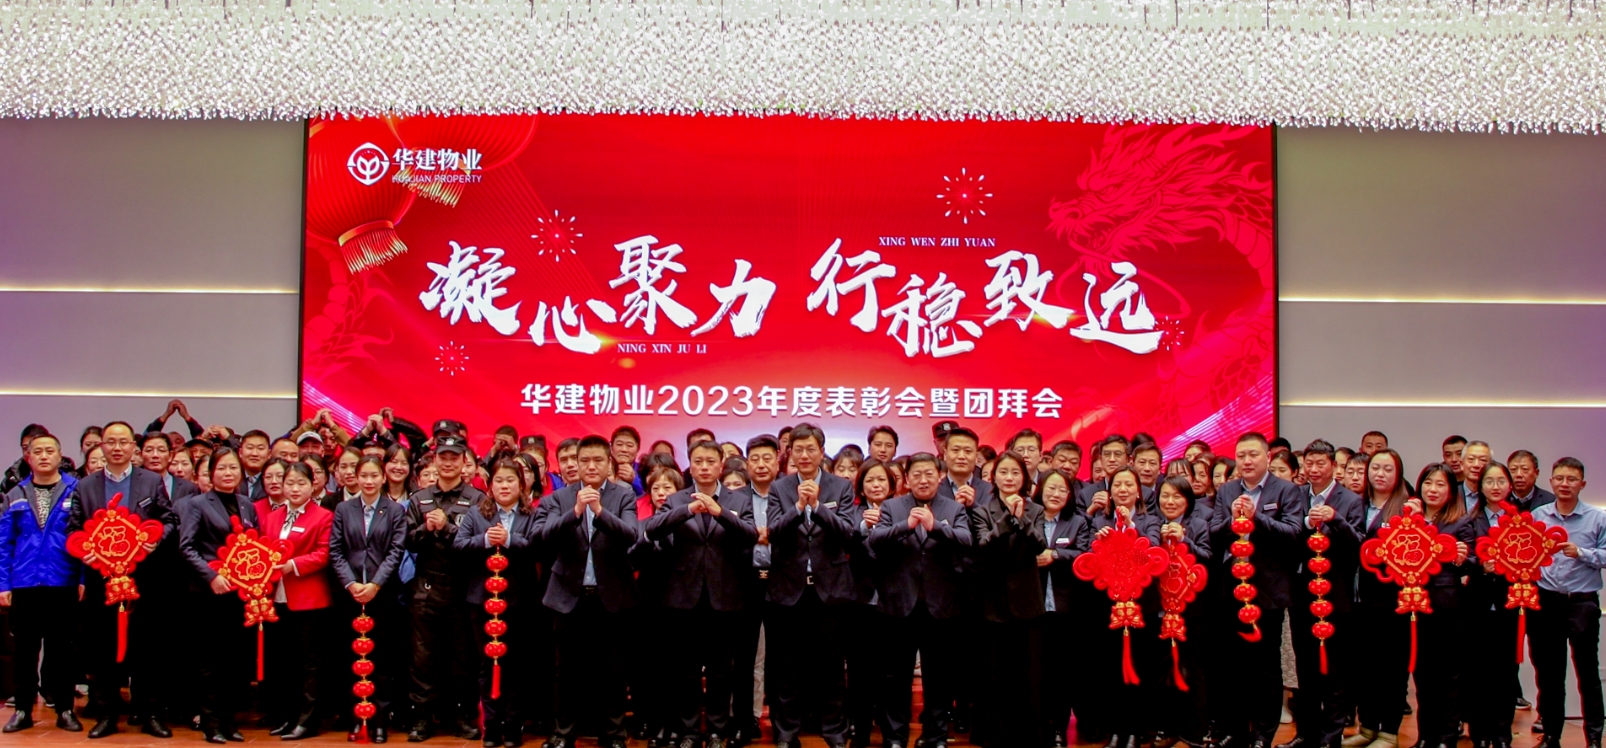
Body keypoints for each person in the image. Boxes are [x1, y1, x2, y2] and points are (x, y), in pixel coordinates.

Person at [68, 422, 180, 738]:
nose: (117, 448)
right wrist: (86, 552)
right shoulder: (85, 486)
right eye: (111, 442)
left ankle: (150, 713)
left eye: (123, 442)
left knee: (147, 648)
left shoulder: (151, 481)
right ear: (101, 446)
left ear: (134, 447)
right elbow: (74, 528)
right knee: (103, 649)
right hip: (102, 581)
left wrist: (155, 541)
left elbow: (169, 520)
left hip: (144, 580)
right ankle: (106, 715)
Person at [643, 440, 758, 748]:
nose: (704, 467)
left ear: (721, 466)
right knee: (687, 670)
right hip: (684, 598)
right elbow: (653, 529)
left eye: (710, 461)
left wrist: (721, 513)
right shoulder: (676, 498)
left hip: (725, 597)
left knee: (721, 671)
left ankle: (718, 730)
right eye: (698, 461)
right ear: (690, 466)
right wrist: (687, 510)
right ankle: (691, 732)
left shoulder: (739, 499)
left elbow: (750, 536)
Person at [536, 434, 640, 748]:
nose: (591, 466)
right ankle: (564, 733)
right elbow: (542, 537)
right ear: (575, 464)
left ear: (609, 463)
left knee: (613, 670)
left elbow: (631, 535)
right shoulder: (558, 498)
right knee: (566, 672)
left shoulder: (623, 496)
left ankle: (614, 734)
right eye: (585, 461)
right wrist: (577, 511)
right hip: (569, 597)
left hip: (611, 597)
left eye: (598, 460)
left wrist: (600, 511)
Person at [1205, 433, 1303, 748]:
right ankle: (1236, 731)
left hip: (1267, 590)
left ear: (1267, 457)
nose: (1246, 461)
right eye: (1241, 456)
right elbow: (1213, 534)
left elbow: (1294, 533)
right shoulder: (1227, 490)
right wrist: (1232, 520)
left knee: (1266, 666)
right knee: (1233, 665)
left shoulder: (1286, 490)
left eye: (1253, 455)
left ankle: (1263, 734)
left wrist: (1256, 518)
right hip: (1231, 589)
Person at [870, 452, 973, 748]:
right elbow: (875, 540)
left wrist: (935, 526)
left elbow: (967, 541)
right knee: (896, 677)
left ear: (939, 476)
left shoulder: (953, 508)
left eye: (929, 474)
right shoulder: (892, 506)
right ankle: (895, 737)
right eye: (916, 474)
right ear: (907, 479)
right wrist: (906, 525)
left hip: (940, 606)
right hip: (898, 605)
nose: (923, 480)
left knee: (938, 677)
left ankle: (936, 736)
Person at [768, 423, 859, 748]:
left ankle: (834, 731)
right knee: (788, 667)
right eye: (798, 450)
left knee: (832, 666)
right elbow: (774, 532)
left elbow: (848, 533)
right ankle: (786, 733)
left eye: (810, 449)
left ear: (822, 452)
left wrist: (818, 507)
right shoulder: (780, 487)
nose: (804, 455)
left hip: (830, 591)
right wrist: (797, 508)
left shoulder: (841, 486)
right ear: (789, 453)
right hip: (789, 590)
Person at [1280, 440, 1364, 748]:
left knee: (1335, 670)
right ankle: (1306, 733)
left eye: (1320, 464)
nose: (1313, 470)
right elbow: (1286, 536)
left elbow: (1358, 545)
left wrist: (1335, 519)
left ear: (1334, 466)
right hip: (1301, 593)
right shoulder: (1295, 495)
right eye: (1309, 464)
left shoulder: (1350, 500)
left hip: (1335, 596)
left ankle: (1331, 737)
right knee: (1306, 668)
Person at [454, 460, 542, 748]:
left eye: (510, 480)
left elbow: (539, 548)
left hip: (519, 601)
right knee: (486, 664)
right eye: (499, 481)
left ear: (522, 485)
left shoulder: (533, 514)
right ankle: (491, 726)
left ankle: (513, 726)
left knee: (516, 666)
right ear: (490, 486)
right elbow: (458, 546)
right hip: (481, 601)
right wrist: (483, 540)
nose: (504, 486)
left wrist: (510, 540)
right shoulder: (476, 513)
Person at [404, 435, 485, 742]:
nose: (448, 462)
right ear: (434, 460)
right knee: (422, 657)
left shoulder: (477, 499)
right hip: (426, 587)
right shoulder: (419, 498)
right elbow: (407, 541)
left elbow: (478, 543)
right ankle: (422, 717)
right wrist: (427, 528)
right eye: (443, 457)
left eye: (455, 457)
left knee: (463, 657)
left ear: (465, 461)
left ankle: (462, 715)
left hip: (463, 588)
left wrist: (448, 528)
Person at [0, 433, 83, 734]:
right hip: (25, 582)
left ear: (60, 456)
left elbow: (83, 538)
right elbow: (4, 543)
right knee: (25, 651)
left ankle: (64, 708)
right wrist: (3, 584)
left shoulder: (77, 490)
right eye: (38, 451)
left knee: (62, 650)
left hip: (63, 581)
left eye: (50, 451)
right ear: (28, 458)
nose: (44, 456)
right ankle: (23, 709)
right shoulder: (16, 494)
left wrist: (82, 578)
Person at [178, 446, 261, 743]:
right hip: (208, 593)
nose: (228, 473)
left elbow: (255, 545)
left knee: (234, 661)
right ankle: (211, 723)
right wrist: (211, 576)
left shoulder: (247, 504)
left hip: (240, 595)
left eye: (233, 468)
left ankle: (228, 720)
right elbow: (187, 547)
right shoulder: (197, 504)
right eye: (222, 468)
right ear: (211, 473)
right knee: (209, 661)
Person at [330, 457, 409, 744]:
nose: (368, 481)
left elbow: (396, 551)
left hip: (382, 593)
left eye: (374, 475)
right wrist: (351, 584)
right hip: (350, 594)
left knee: (382, 659)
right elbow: (336, 551)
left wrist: (375, 584)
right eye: (363, 475)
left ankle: (379, 721)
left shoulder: (395, 510)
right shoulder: (343, 509)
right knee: (352, 657)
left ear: (383, 478)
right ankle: (356, 719)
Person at [972, 452, 1048, 748]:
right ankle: (995, 735)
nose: (1009, 478)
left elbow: (1039, 545)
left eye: (1015, 473)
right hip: (993, 603)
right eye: (1003, 472)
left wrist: (1022, 518)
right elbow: (983, 546)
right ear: (994, 478)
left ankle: (1028, 736)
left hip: (1028, 603)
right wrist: (1007, 518)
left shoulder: (1036, 510)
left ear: (1024, 478)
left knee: (1028, 674)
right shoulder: (982, 510)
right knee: (995, 674)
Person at [1529, 457, 1606, 748]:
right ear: (1551, 482)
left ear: (1582, 484)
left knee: (1588, 673)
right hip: (1546, 602)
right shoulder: (1538, 516)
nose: (1565, 484)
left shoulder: (1597, 518)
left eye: (1571, 479)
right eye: (1559, 478)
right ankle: (1551, 736)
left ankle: (1594, 738)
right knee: (1550, 674)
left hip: (1582, 605)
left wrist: (1582, 553)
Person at [260, 462, 335, 741]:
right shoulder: (273, 517)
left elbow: (324, 553)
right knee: (285, 662)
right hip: (277, 597)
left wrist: (293, 565)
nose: (294, 488)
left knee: (310, 663)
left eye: (301, 483)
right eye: (289, 483)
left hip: (309, 598)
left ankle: (308, 720)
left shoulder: (323, 516)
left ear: (313, 486)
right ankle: (288, 717)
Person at [1345, 449, 1413, 748]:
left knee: (1391, 669)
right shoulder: (1355, 504)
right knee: (1364, 668)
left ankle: (1389, 732)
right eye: (1375, 468)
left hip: (1391, 602)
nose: (1380, 474)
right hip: (1357, 600)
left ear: (1398, 474)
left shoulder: (1406, 509)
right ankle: (1368, 727)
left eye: (1388, 469)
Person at [1410, 464, 1476, 748]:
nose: (1433, 490)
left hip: (1448, 607)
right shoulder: (1408, 518)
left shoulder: (1460, 521)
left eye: (1440, 484)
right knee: (1422, 674)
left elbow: (1474, 560)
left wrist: (1462, 560)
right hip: (1414, 606)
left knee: (1449, 675)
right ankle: (1425, 735)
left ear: (1451, 490)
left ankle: (1447, 737)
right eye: (1428, 483)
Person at [1088, 466, 1154, 748]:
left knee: (1139, 668)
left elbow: (1151, 554)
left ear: (1138, 491)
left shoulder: (1150, 520)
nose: (1123, 490)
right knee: (1110, 669)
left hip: (1140, 607)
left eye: (1129, 484)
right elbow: (1089, 562)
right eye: (1117, 485)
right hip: (1108, 607)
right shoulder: (1099, 522)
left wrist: (1130, 528)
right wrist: (1099, 542)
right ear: (1110, 492)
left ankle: (1136, 730)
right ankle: (1115, 729)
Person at [1152, 476, 1213, 748]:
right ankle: (1167, 728)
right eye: (1165, 495)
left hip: (1190, 611)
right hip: (1158, 609)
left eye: (1177, 496)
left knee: (1191, 670)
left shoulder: (1198, 525)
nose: (1170, 501)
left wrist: (1184, 540)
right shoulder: (1152, 524)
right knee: (1162, 671)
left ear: (1187, 501)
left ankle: (1195, 732)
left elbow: (1208, 558)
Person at [734, 436, 784, 748]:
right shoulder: (735, 498)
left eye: (767, 458)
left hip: (782, 581)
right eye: (755, 459)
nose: (761, 464)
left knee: (780, 658)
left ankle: (782, 725)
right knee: (743, 657)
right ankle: (743, 722)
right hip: (745, 581)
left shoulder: (788, 494)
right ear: (746, 463)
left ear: (778, 461)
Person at [1467, 462, 1520, 748]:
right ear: (1480, 486)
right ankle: (1479, 734)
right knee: (1477, 672)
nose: (1495, 487)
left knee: (1506, 673)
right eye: (1489, 481)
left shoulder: (1521, 520)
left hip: (1510, 606)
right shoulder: (1469, 519)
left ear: (1509, 485)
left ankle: (1502, 735)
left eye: (1501, 481)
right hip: (1476, 606)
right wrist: (1480, 566)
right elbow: (1463, 559)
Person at [1035, 469, 1088, 747]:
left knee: (1063, 672)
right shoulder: (1029, 517)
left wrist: (1055, 555)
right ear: (1040, 490)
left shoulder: (1078, 522)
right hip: (1032, 609)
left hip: (1066, 610)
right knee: (1037, 671)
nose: (1055, 494)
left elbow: (1085, 554)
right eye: (1051, 488)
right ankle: (1038, 725)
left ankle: (1059, 727)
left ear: (1069, 495)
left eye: (1062, 490)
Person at [848, 459, 897, 748]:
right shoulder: (852, 514)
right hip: (860, 602)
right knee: (860, 672)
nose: (876, 485)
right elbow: (845, 545)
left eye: (881, 480)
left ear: (891, 485)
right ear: (861, 487)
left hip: (895, 602)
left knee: (891, 672)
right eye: (870, 480)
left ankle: (892, 733)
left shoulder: (901, 511)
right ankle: (861, 730)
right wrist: (864, 528)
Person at [635, 466, 684, 748]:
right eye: (656, 488)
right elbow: (632, 558)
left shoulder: (688, 521)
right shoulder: (643, 523)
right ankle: (655, 724)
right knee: (650, 666)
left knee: (677, 667)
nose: (661, 493)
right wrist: (646, 538)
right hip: (648, 602)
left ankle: (677, 726)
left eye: (668, 488)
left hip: (681, 602)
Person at [1460, 441, 1493, 512]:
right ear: (1462, 464)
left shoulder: (1496, 495)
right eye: (1471, 459)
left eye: (1483, 460)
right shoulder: (1450, 494)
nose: (1476, 465)